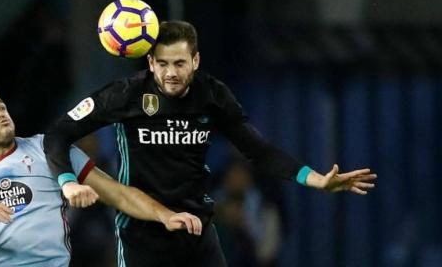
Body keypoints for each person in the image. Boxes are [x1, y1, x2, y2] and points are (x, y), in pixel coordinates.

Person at [43, 20, 378, 267]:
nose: (170, 73)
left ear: (196, 61)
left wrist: (315, 179)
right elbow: (58, 135)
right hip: (141, 234)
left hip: (197, 231)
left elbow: (257, 151)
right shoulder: (125, 95)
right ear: (150, 63)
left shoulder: (213, 96)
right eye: (162, 64)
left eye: (179, 63)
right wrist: (67, 181)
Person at [0, 85, 202, 267]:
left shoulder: (49, 148)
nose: (0, 113)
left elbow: (118, 193)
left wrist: (165, 215)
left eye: (1, 106)